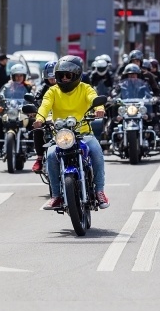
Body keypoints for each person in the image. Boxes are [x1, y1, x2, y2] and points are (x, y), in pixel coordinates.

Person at [34, 55, 109, 210]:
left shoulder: (85, 88)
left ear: (77, 75)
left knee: (96, 151)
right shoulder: (52, 91)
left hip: (84, 134)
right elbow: (45, 105)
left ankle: (99, 191)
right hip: (61, 136)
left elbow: (93, 98)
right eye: (62, 75)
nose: (65, 78)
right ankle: (56, 196)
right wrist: (39, 119)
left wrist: (99, 109)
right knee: (50, 155)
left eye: (69, 75)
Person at [0, 63, 34, 154]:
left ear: (24, 76)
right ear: (12, 76)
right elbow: (1, 96)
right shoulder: (7, 87)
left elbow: (33, 97)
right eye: (16, 76)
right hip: (10, 111)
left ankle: (31, 147)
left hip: (23, 112)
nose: (19, 78)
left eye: (21, 76)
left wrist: (32, 108)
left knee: (32, 121)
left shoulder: (29, 87)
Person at [31, 61, 57, 173]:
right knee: (38, 130)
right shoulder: (43, 89)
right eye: (50, 78)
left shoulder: (66, 88)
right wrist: (34, 109)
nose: (52, 81)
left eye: (54, 78)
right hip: (47, 117)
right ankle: (40, 158)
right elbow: (36, 99)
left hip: (63, 118)